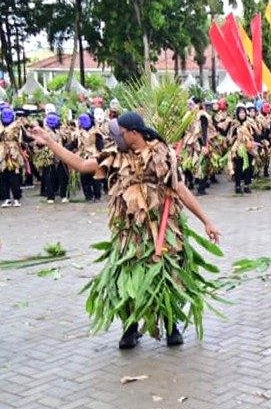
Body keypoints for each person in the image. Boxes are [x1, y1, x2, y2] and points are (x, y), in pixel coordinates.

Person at [27, 112, 222, 349]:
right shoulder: (114, 156)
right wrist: (49, 141)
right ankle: (130, 328)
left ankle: (171, 326)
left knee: (166, 273)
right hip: (129, 232)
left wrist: (206, 221)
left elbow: (180, 190)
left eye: (120, 132)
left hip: (161, 229)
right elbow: (81, 165)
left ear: (134, 133)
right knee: (127, 274)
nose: (116, 136)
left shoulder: (161, 153)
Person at [0, 105, 24, 207]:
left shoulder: (17, 126)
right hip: (2, 153)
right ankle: (6, 199)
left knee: (14, 176)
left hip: (13, 153)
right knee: (3, 176)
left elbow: (21, 140)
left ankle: (16, 198)